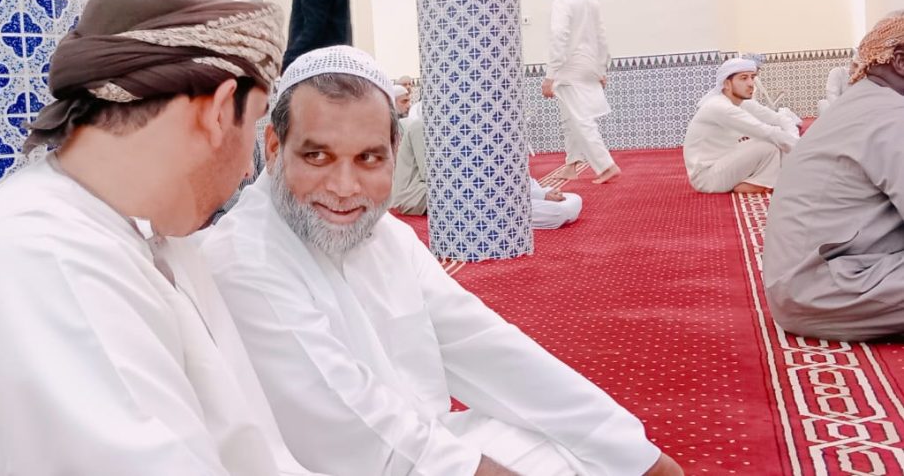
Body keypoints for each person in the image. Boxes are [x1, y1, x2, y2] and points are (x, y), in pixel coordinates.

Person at [0, 0, 321, 475]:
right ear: (218, 110)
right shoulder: (43, 264)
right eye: (252, 122)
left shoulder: (128, 235)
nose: (249, 169)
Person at [202, 45, 682, 476]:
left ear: (393, 154)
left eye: (369, 159)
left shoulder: (385, 236)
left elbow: (485, 345)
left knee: (578, 454)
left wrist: (631, 451)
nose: (345, 188)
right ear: (274, 148)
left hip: (428, 444)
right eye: (318, 157)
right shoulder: (244, 258)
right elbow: (355, 429)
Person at [763, 11, 904, 342]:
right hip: (831, 291)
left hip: (812, 285)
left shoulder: (866, 103)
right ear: (900, 61)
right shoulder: (891, 115)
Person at [391, 117, 581, 229]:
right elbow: (433, 175)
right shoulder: (422, 126)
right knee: (482, 188)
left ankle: (529, 197)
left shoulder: (454, 124)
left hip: (442, 190)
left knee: (486, 179)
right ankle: (519, 204)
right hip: (416, 195)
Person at [542, 0, 620, 184]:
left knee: (581, 119)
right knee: (570, 118)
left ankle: (606, 165)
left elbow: (559, 36)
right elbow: (601, 37)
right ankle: (571, 165)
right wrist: (601, 69)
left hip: (569, 68)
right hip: (588, 66)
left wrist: (550, 76)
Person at [682, 58, 799, 194]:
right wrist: (803, 150)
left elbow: (780, 119)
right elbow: (764, 131)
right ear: (727, 84)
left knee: (777, 138)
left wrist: (795, 140)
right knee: (770, 143)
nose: (751, 84)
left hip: (724, 162)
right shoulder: (719, 107)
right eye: (743, 78)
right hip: (707, 178)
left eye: (752, 77)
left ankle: (769, 179)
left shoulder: (741, 103)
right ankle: (759, 183)